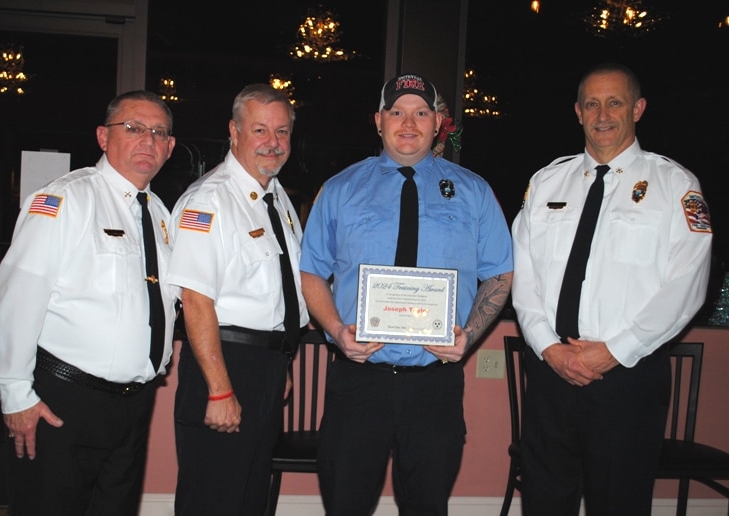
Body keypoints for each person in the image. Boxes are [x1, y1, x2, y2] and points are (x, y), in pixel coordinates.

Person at [299, 73, 514, 515]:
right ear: (379, 121)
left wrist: (469, 335)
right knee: (346, 505)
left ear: (438, 123)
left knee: (427, 507)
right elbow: (311, 273)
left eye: (420, 112)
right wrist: (338, 331)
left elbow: (500, 273)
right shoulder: (340, 190)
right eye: (397, 112)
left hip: (434, 386)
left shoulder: (474, 192)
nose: (408, 122)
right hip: (358, 383)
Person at [511, 62, 713, 516]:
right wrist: (547, 346)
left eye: (615, 102)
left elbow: (687, 285)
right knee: (545, 503)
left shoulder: (675, 187)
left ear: (638, 109)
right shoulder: (546, 183)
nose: (602, 114)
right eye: (592, 103)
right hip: (551, 373)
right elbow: (522, 276)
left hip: (628, 378)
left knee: (619, 503)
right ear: (578, 112)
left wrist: (616, 350)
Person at [0, 90, 179, 515]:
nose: (147, 140)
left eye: (158, 132)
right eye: (133, 128)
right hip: (64, 401)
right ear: (103, 138)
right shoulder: (66, 200)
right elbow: (20, 296)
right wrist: (14, 392)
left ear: (170, 147)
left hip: (133, 406)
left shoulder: (160, 215)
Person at [166, 83, 309, 515]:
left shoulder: (275, 195)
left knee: (248, 498)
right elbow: (195, 301)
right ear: (234, 131)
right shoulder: (210, 200)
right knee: (213, 498)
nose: (273, 143)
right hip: (225, 364)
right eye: (260, 130)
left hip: (263, 367)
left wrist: (277, 364)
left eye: (282, 132)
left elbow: (275, 294)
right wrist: (220, 389)